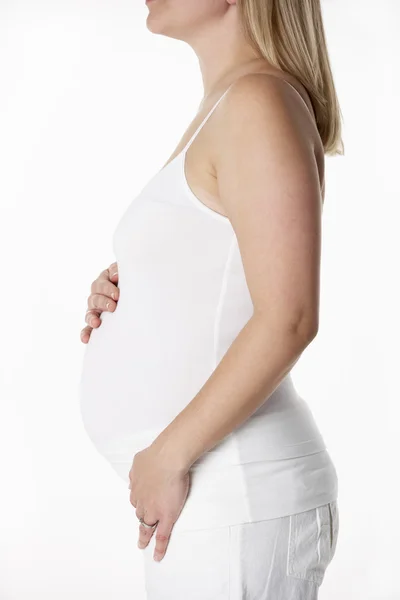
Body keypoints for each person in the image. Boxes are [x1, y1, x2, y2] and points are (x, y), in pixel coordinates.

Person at [79, 0, 344, 598]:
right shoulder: (229, 104)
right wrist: (132, 289)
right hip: (213, 504)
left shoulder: (257, 102)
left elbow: (291, 317)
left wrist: (169, 456)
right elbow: (222, 275)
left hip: (235, 497)